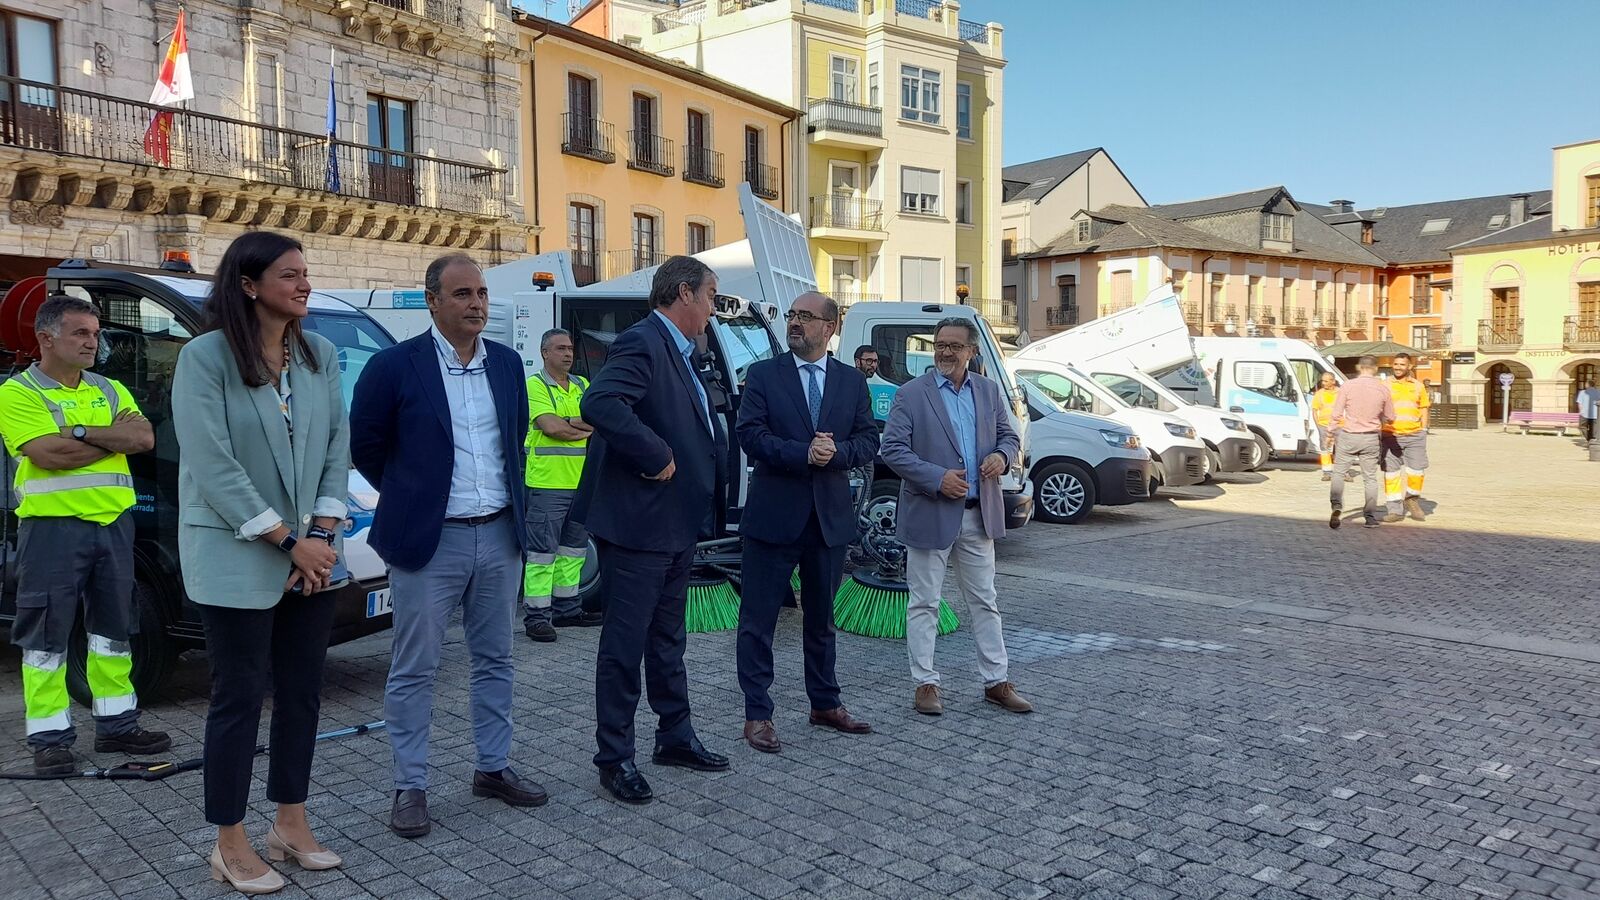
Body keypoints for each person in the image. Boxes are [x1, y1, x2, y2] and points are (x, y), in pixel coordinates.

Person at [171, 231, 347, 893]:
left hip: (310, 554)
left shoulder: (319, 355)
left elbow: (336, 444)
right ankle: (230, 840)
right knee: (239, 699)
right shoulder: (205, 358)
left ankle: (291, 824)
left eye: (306, 273)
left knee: (302, 694)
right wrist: (287, 541)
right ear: (248, 284)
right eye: (289, 275)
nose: (304, 284)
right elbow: (214, 466)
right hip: (238, 552)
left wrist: (323, 532)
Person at [350, 253, 544, 840]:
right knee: (415, 668)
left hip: (499, 535)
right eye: (462, 294)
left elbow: (513, 441)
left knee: (496, 660)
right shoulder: (393, 367)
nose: (476, 304)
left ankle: (492, 767)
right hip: (430, 544)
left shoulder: (508, 365)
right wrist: (417, 496)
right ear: (432, 301)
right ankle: (410, 785)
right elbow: (368, 447)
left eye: (481, 293)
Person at [578, 255, 729, 805]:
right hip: (640, 526)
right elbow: (600, 401)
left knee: (668, 640)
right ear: (684, 294)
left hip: (674, 524)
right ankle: (615, 758)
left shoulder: (684, 351)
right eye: (711, 297)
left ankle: (675, 736)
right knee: (625, 645)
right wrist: (654, 451)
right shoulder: (644, 341)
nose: (713, 310)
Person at [0, 296, 169, 778]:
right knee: (46, 634)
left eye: (95, 334)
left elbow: (142, 440)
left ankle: (117, 724)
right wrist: (103, 436)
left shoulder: (110, 387)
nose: (92, 342)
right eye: (80, 333)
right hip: (52, 529)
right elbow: (48, 455)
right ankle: (50, 738)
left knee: (114, 630)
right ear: (46, 338)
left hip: (113, 527)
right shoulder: (19, 392)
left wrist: (73, 429)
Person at [734, 292, 879, 754]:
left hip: (829, 520)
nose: (795, 323)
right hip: (774, 517)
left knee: (822, 620)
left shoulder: (851, 381)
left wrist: (837, 453)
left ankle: (825, 703)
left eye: (805, 317)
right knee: (758, 621)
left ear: (829, 327)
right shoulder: (762, 375)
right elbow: (749, 435)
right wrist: (802, 453)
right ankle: (758, 714)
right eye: (792, 316)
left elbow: (868, 439)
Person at [879, 317, 1030, 717]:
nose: (945, 351)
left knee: (985, 601)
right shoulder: (911, 394)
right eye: (940, 344)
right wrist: (937, 478)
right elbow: (892, 450)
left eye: (954, 346)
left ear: (971, 351)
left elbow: (1010, 437)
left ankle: (996, 682)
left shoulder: (989, 390)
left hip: (979, 516)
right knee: (924, 603)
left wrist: (1000, 456)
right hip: (930, 512)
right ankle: (925, 683)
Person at [521, 328, 600, 642]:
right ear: (544, 353)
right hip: (547, 484)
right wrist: (577, 425)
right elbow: (552, 428)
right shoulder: (534, 385)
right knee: (542, 554)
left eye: (570, 348)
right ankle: (537, 617)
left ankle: (568, 610)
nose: (568, 354)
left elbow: (599, 421)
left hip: (579, 482)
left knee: (573, 552)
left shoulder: (582, 384)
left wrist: (570, 424)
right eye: (560, 349)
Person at [1327, 355, 1395, 530]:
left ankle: (1336, 506)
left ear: (1359, 367)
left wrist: (1330, 432)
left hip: (1349, 435)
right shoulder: (1383, 389)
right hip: (1370, 437)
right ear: (1375, 369)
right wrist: (1380, 418)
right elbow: (1391, 417)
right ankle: (1370, 517)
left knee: (1339, 473)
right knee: (1370, 478)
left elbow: (1336, 413)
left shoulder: (1347, 386)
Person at [1380, 352, 1431, 523]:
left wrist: (1424, 429)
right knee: (1391, 474)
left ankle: (1411, 499)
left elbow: (1423, 407)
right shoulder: (1384, 385)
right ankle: (1394, 510)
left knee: (1417, 470)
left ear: (1410, 366)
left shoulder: (1418, 386)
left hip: (1415, 435)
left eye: (1402, 364)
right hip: (1390, 435)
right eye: (1395, 364)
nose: (1398, 367)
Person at [1310, 372, 1339, 482]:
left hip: (1339, 425)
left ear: (1333, 381)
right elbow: (1314, 410)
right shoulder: (1319, 394)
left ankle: (1342, 472)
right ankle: (1327, 472)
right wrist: (1318, 425)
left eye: (1326, 381)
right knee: (1325, 449)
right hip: (1324, 425)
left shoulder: (1340, 393)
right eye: (1322, 381)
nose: (1323, 383)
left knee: (1341, 449)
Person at [1576, 379, 1600, 444]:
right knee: (1593, 429)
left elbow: (1580, 403)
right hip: (1596, 414)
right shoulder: (1598, 392)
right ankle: (1592, 441)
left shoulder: (1582, 392)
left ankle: (1589, 439)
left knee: (1582, 426)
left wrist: (1580, 412)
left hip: (1585, 414)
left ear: (1587, 385)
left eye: (1586, 384)